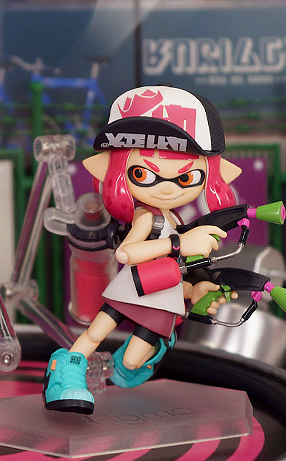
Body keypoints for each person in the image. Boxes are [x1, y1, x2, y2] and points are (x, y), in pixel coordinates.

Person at [43, 85, 241, 414]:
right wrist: (179, 243)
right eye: (142, 173)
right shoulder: (148, 218)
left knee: (132, 364)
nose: (167, 188)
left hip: (163, 296)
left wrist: (196, 289)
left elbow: (180, 265)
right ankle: (64, 371)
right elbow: (126, 254)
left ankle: (132, 363)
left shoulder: (177, 220)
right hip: (134, 286)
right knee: (95, 334)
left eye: (186, 177)